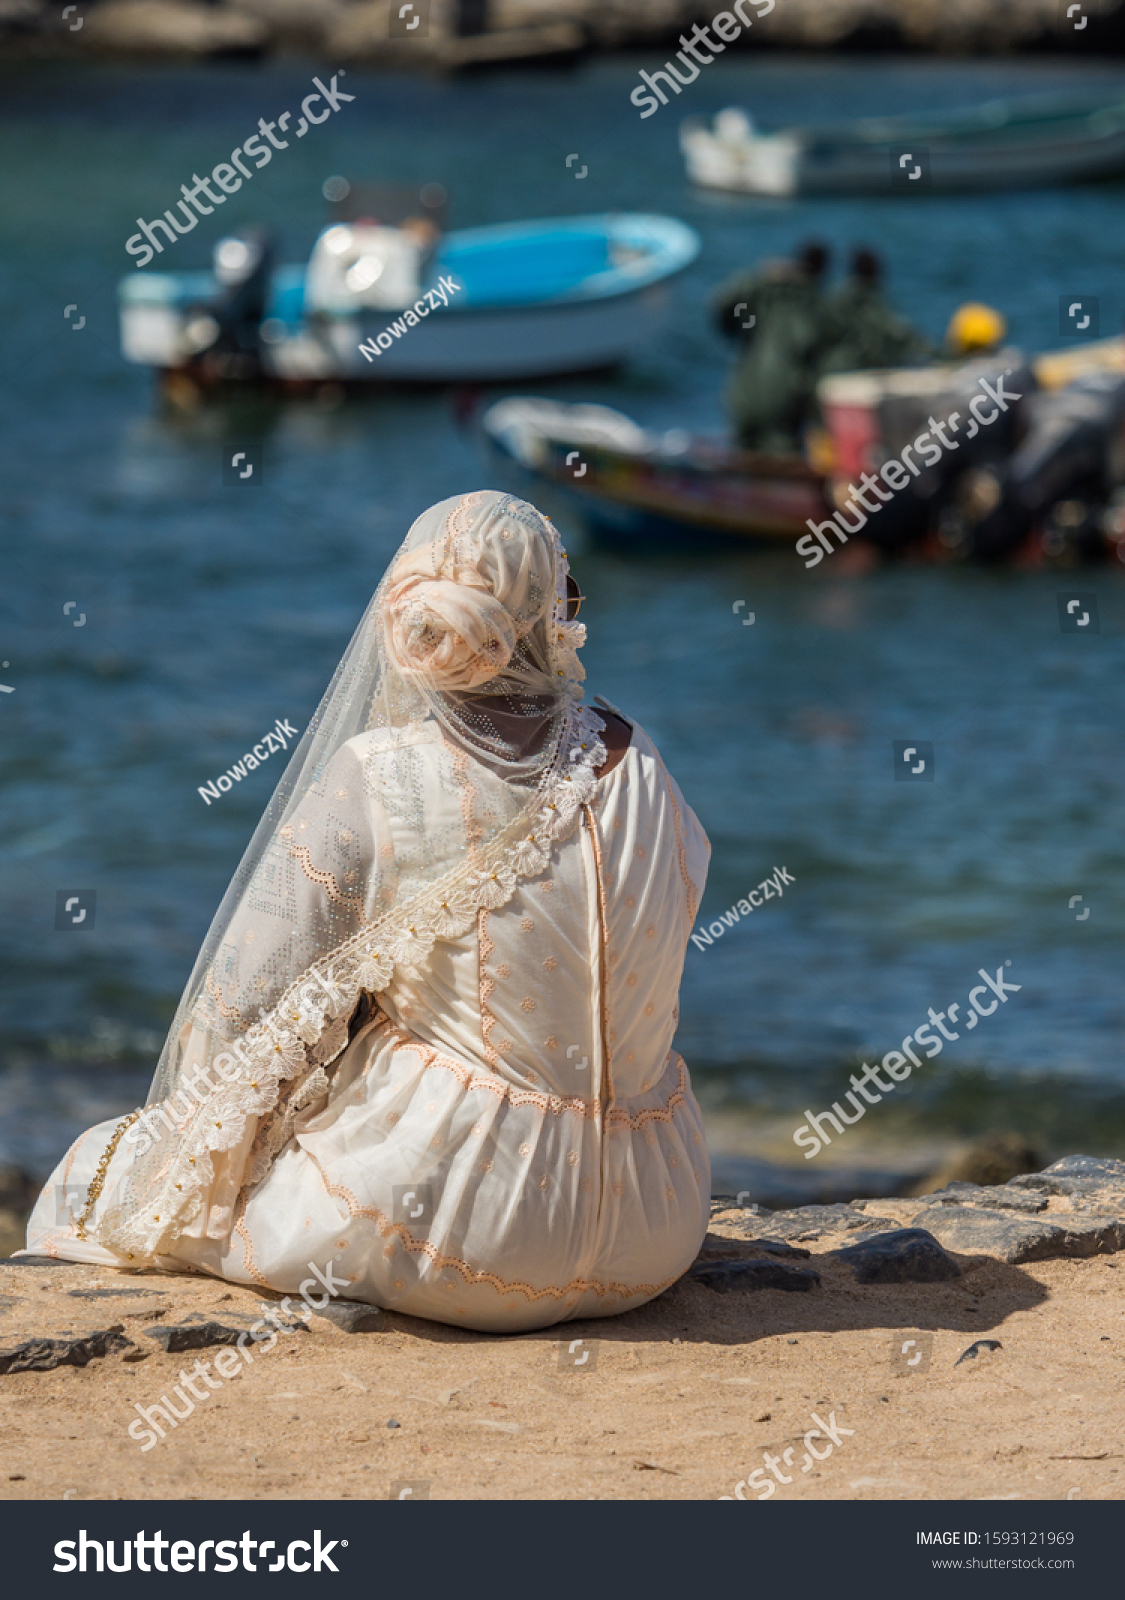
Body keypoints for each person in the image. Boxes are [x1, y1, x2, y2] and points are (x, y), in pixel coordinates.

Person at [24, 491, 712, 1334]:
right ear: (553, 612)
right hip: (656, 1222)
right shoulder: (640, 762)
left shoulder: (378, 771)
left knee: (95, 1173)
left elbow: (240, 1003)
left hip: (457, 1231)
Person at [712, 240, 833, 453]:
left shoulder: (763, 290)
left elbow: (727, 303)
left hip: (743, 395)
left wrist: (740, 327)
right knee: (780, 468)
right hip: (783, 404)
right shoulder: (813, 304)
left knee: (744, 465)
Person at [818, 247, 933, 377]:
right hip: (859, 369)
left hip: (830, 368)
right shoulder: (873, 304)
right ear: (876, 273)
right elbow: (900, 336)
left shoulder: (835, 298)